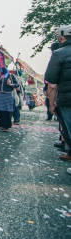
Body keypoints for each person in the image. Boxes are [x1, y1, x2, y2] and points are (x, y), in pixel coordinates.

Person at [44, 25, 71, 161]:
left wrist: (51, 104)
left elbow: (52, 84)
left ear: (61, 37)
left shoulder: (59, 54)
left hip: (67, 99)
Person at [0, 66, 19, 132]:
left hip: (7, 95)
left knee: (7, 111)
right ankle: (1, 125)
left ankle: (7, 126)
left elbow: (17, 84)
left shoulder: (10, 75)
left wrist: (11, 84)